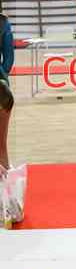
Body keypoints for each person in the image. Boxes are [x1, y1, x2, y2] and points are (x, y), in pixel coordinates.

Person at [0, 12, 14, 169]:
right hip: (2, 87)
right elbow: (9, 59)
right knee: (1, 146)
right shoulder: (3, 23)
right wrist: (2, 76)